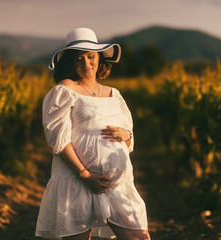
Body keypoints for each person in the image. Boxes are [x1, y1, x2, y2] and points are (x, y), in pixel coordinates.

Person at [35, 27, 150, 240]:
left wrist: (126, 135)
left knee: (139, 237)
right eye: (79, 59)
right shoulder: (64, 90)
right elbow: (59, 139)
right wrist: (84, 174)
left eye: (91, 57)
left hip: (116, 184)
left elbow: (128, 137)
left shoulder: (114, 94)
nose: (87, 64)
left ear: (99, 58)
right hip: (76, 180)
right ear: (71, 62)